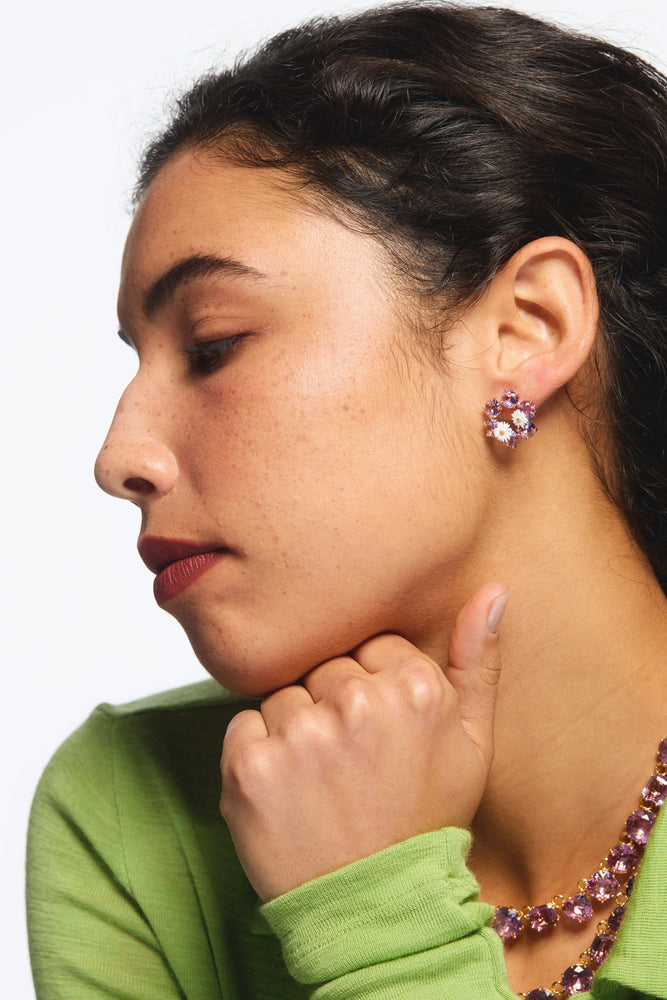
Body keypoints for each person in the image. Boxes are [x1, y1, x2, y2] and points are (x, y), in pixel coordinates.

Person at [26, 3, 667, 998]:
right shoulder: (141, 814)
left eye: (213, 344)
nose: (121, 458)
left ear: (524, 331)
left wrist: (375, 922)